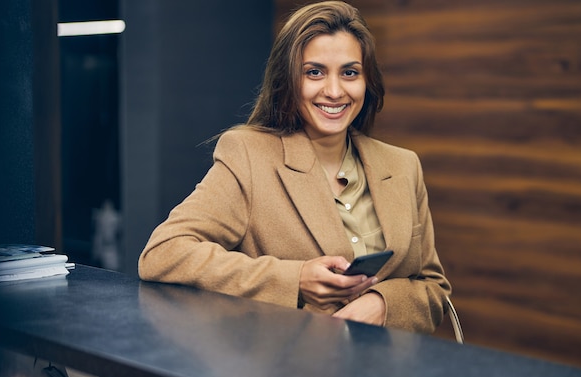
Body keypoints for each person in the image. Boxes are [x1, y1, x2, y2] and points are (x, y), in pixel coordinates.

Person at [139, 0, 451, 332]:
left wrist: (383, 304)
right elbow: (163, 253)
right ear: (288, 80)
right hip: (288, 373)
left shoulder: (403, 165)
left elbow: (434, 287)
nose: (334, 91)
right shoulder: (248, 155)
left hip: (389, 374)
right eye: (314, 72)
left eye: (350, 72)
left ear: (366, 81)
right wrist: (294, 279)